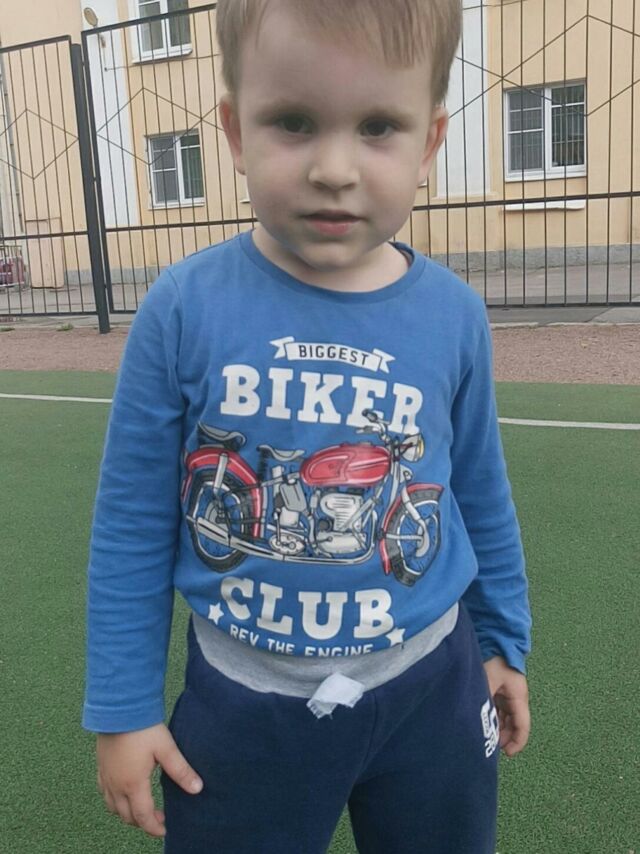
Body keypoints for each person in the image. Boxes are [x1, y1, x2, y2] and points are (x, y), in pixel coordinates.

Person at [83, 1, 532, 851]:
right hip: (243, 707)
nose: (333, 168)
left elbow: (478, 492)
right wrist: (124, 708)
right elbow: (131, 525)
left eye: (377, 126)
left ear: (429, 143)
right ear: (234, 131)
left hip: (431, 688)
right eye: (293, 121)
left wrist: (503, 640)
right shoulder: (181, 307)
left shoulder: (454, 314)